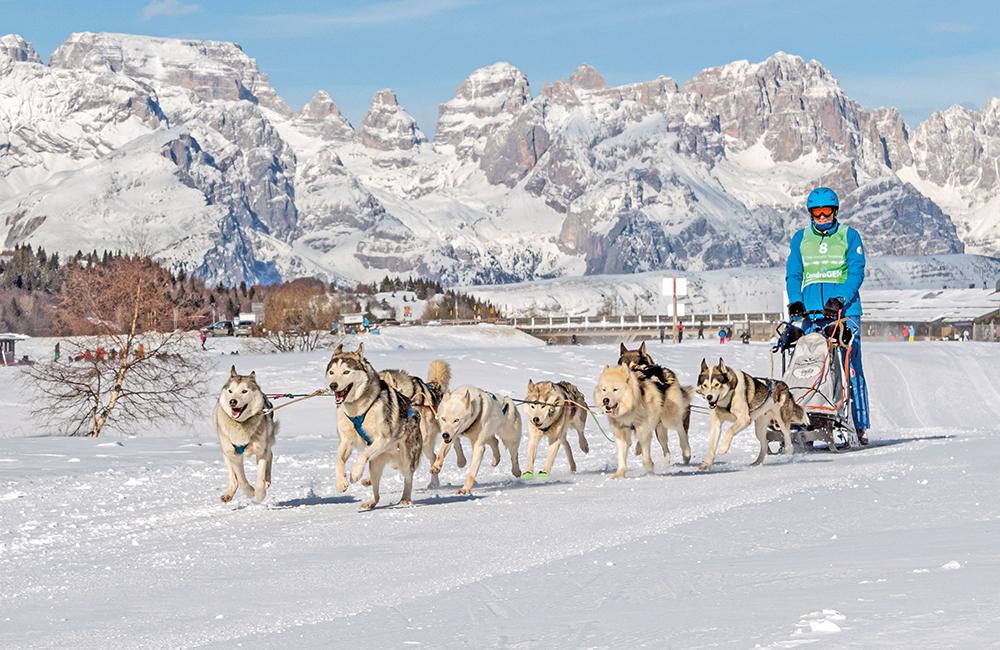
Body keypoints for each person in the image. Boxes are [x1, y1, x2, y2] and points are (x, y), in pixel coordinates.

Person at [785, 187, 870, 445]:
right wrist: (795, 300)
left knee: (849, 366)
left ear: (835, 212)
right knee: (809, 366)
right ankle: (807, 422)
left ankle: (859, 426)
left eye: (827, 212)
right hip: (813, 315)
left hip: (844, 313)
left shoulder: (849, 236)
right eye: (816, 213)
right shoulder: (800, 238)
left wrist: (841, 298)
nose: (822, 217)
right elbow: (794, 274)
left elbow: (856, 272)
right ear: (810, 214)